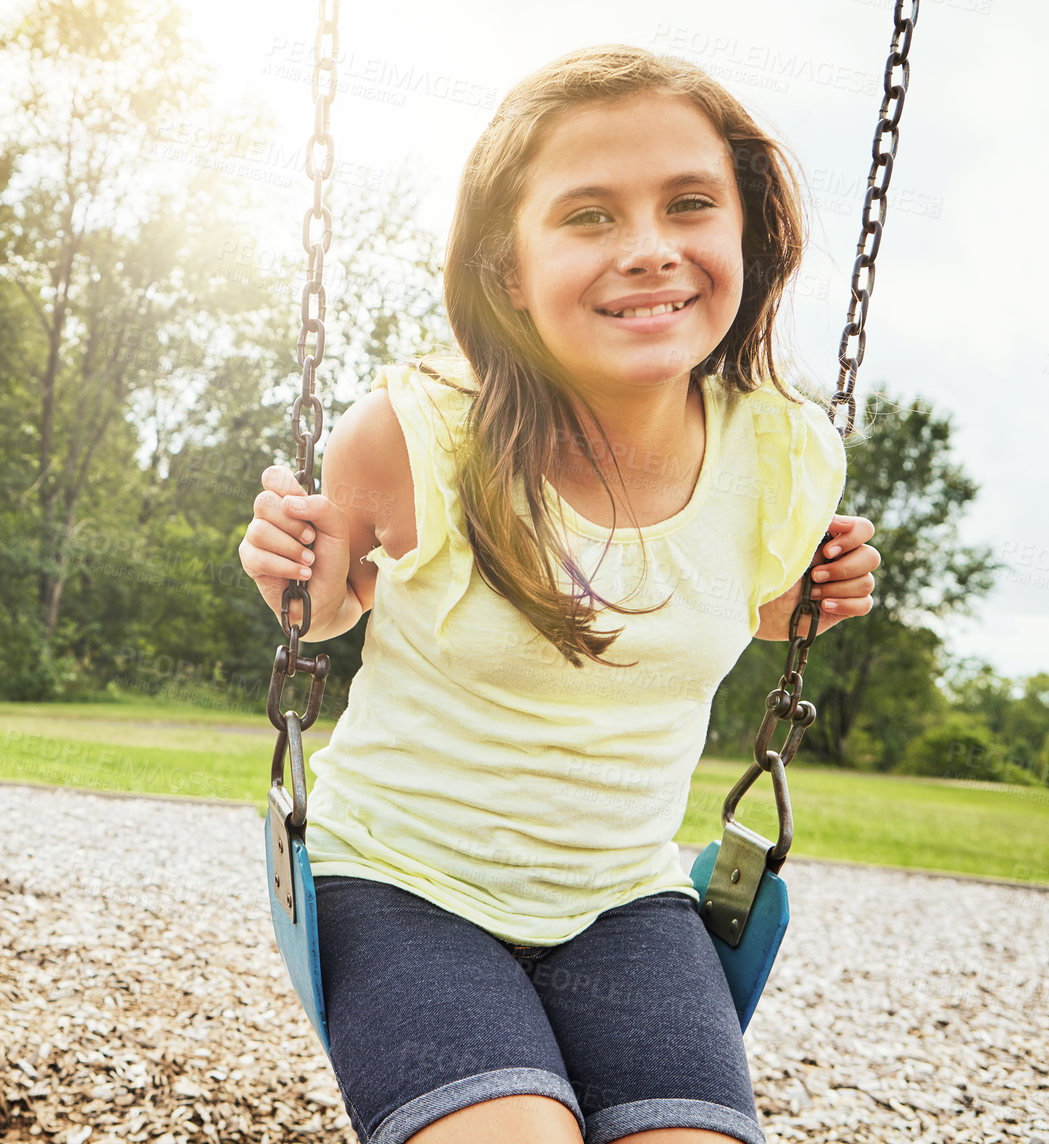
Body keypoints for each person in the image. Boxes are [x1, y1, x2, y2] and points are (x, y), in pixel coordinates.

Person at [237, 44, 883, 1144]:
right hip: (400, 881)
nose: (647, 250)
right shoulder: (411, 434)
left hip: (623, 898)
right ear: (505, 266)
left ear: (744, 233)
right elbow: (337, 609)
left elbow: (750, 607)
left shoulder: (785, 452)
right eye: (587, 216)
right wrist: (303, 580)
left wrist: (816, 593)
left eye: (688, 203)